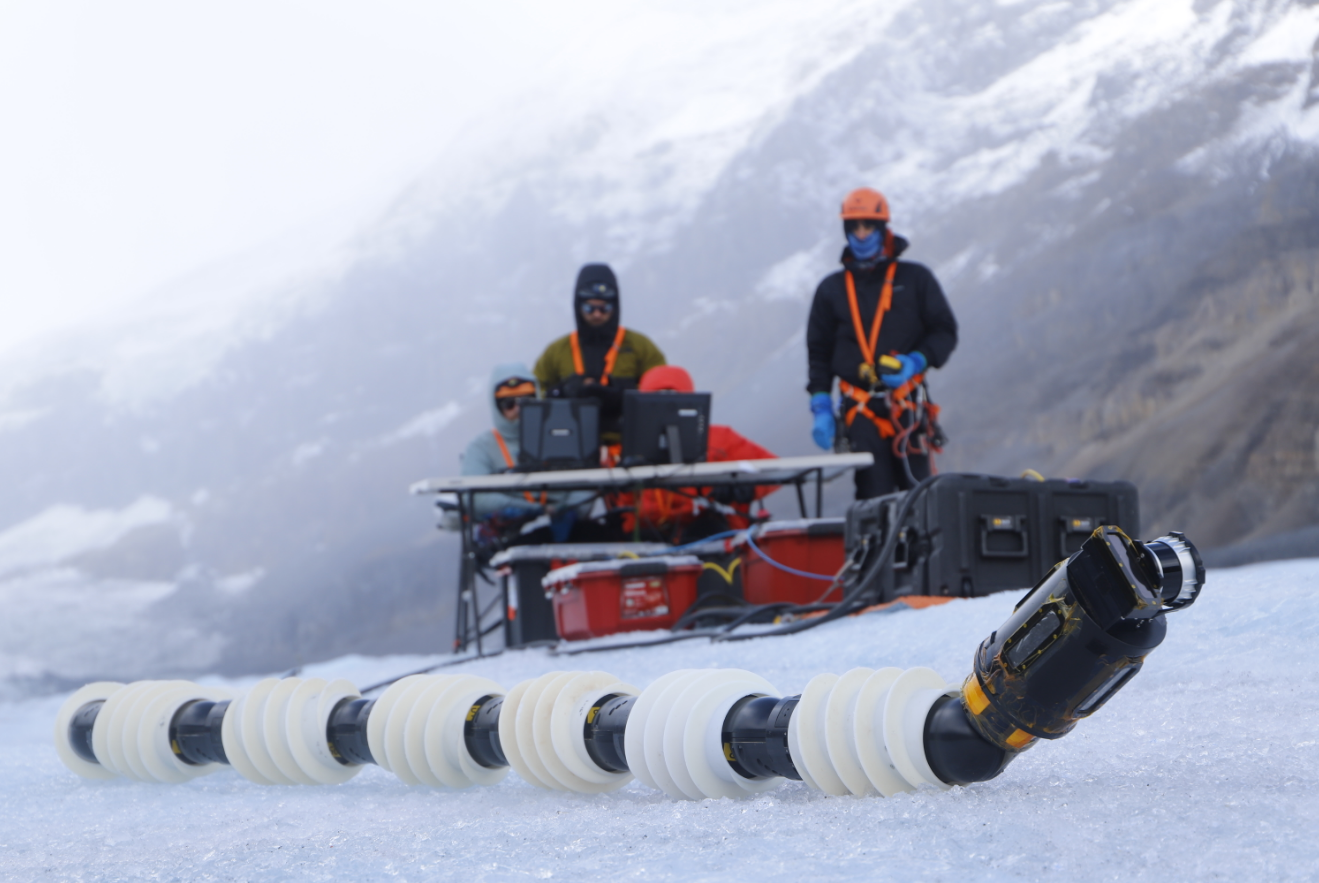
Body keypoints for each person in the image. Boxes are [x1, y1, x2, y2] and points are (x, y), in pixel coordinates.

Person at [806, 188, 957, 499]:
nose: (861, 234)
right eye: (854, 227)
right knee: (872, 499)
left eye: (868, 226)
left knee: (919, 498)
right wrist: (820, 405)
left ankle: (918, 550)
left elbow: (944, 330)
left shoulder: (915, 279)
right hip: (860, 410)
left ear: (883, 227)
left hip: (908, 405)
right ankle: (876, 549)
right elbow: (818, 352)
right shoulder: (831, 290)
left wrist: (917, 360)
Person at [613, 365, 777, 543]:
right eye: (657, 398)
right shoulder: (631, 451)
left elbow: (773, 470)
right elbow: (625, 509)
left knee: (706, 530)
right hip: (649, 536)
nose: (666, 406)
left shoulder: (721, 438)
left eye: (674, 397)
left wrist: (744, 487)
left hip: (713, 534)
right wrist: (623, 481)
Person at [457, 363, 590, 551]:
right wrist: (530, 510)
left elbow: (588, 480)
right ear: (496, 407)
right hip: (512, 535)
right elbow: (474, 498)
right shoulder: (481, 447)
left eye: (526, 400)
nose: (518, 409)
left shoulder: (562, 434)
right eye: (508, 404)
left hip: (567, 532)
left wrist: (571, 510)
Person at [534, 263, 666, 441]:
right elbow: (532, 396)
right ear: (578, 306)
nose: (597, 314)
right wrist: (562, 391)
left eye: (604, 308)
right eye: (589, 308)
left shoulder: (640, 346)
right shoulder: (556, 351)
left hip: (629, 448)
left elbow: (664, 392)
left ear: (615, 306)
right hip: (571, 446)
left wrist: (624, 393)